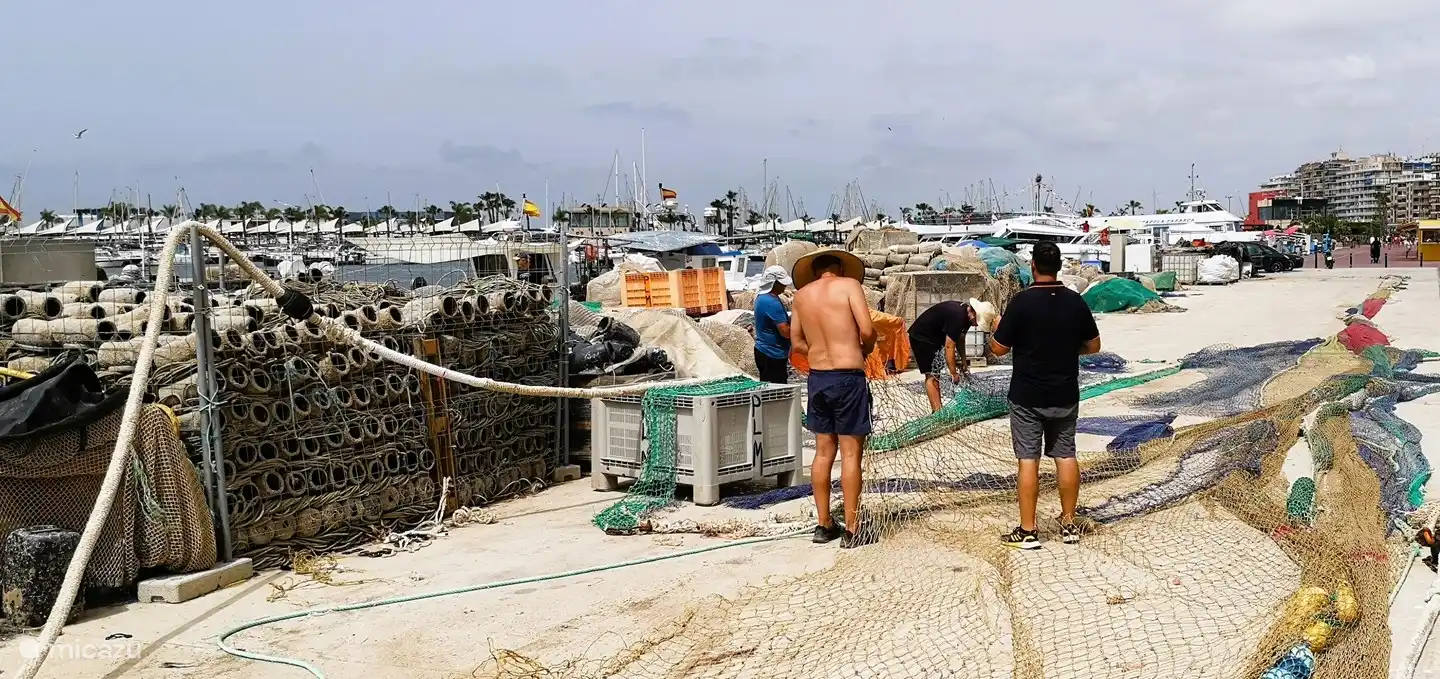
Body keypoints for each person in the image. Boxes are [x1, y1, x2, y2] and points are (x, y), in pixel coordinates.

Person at [989, 242, 1101, 549]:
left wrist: (994, 327)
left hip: (1027, 396)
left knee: (1028, 460)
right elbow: (1094, 346)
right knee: (1065, 455)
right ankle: (1069, 523)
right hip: (1065, 393)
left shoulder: (1021, 302)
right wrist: (1067, 350)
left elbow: (998, 349)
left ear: (1033, 266)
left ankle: (1028, 530)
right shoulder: (1075, 302)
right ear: (1059, 266)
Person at [791, 248, 876, 548]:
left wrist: (817, 350)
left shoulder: (801, 296)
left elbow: (796, 342)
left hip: (818, 379)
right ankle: (852, 529)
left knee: (823, 452)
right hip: (847, 377)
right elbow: (867, 330)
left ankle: (824, 523)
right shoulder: (849, 286)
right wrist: (864, 348)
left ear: (814, 272)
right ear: (840, 268)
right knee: (851, 454)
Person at [907, 298, 996, 413]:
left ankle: (939, 409)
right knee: (932, 375)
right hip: (922, 338)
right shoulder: (958, 317)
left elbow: (960, 338)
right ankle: (937, 412)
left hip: (934, 339)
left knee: (936, 374)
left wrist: (964, 362)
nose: (975, 325)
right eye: (977, 322)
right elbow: (949, 346)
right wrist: (953, 373)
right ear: (974, 313)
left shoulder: (966, 316)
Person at [751, 266, 793, 384]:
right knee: (777, 390)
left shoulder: (761, 297)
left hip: (764, 351)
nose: (785, 286)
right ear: (774, 283)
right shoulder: (772, 302)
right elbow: (785, 332)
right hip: (772, 354)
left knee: (768, 387)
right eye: (782, 283)